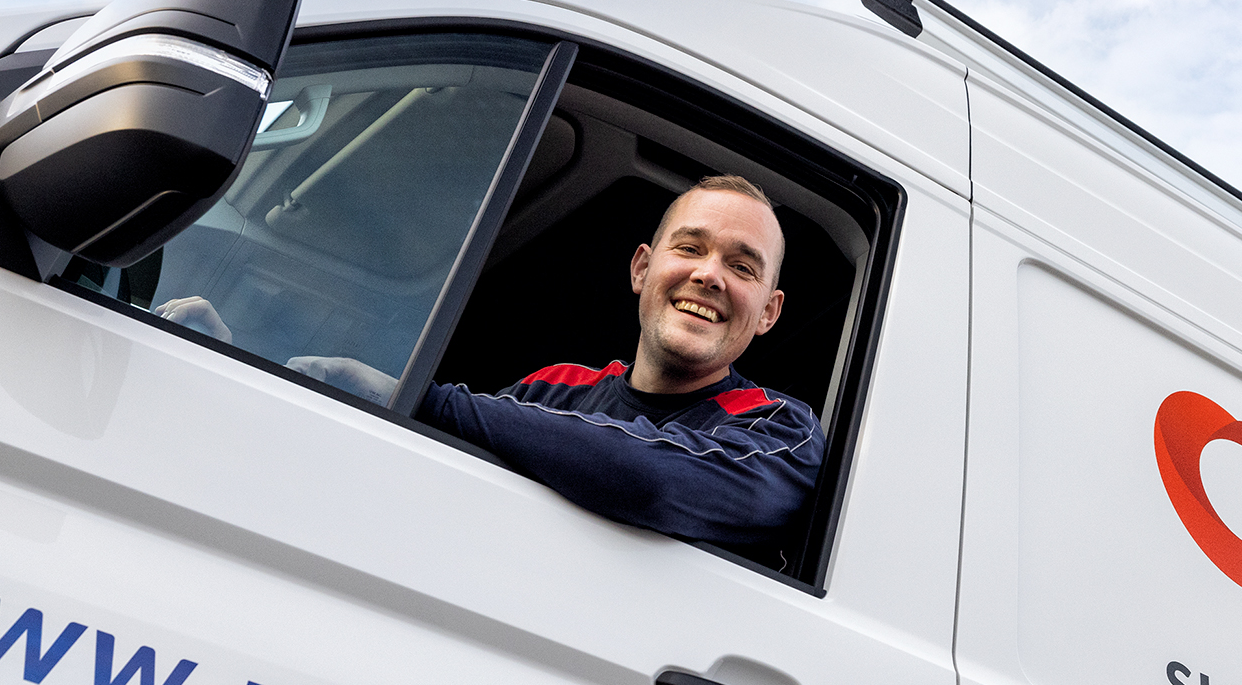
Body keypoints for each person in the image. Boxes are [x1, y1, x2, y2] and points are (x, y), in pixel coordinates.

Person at [153, 175, 824, 551]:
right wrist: (236, 362)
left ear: (768, 312)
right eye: (690, 248)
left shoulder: (780, 431)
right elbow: (438, 486)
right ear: (642, 269)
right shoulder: (556, 387)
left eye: (742, 267)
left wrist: (423, 399)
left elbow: (651, 481)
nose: (709, 275)